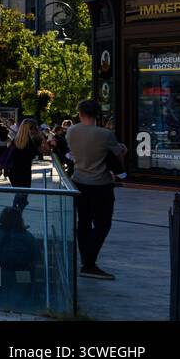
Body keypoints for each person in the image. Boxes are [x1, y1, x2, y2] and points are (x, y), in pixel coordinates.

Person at [66, 100, 127, 280]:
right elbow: (118, 157)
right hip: (101, 184)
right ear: (97, 114)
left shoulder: (71, 131)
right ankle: (88, 262)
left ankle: (87, 260)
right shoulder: (105, 134)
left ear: (80, 113)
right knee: (103, 224)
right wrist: (122, 150)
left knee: (83, 222)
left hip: (79, 181)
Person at [0, 206, 37, 309]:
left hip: (0, 270)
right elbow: (34, 259)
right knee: (21, 297)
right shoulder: (27, 236)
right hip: (23, 271)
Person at [3, 118, 48, 209]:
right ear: (29, 128)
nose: (36, 129)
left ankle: (16, 216)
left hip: (16, 172)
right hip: (23, 173)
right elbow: (45, 150)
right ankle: (16, 217)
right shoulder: (31, 142)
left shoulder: (17, 141)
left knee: (20, 196)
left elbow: (45, 151)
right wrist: (41, 137)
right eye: (34, 127)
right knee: (22, 197)